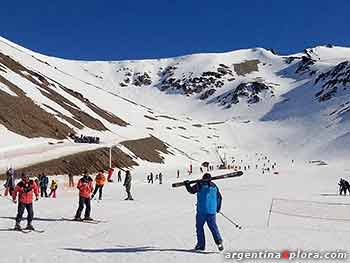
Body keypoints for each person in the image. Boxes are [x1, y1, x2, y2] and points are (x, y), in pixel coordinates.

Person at [184, 173, 223, 251]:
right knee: (213, 227)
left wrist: (187, 185)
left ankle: (201, 245)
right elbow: (219, 198)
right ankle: (218, 241)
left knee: (199, 227)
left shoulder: (200, 184)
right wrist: (217, 208)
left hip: (202, 211)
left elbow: (192, 190)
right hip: (212, 211)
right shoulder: (214, 186)